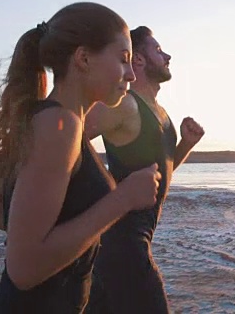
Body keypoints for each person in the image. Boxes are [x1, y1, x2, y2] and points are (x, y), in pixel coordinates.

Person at [0, 2, 161, 313]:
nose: (132, 74)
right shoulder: (59, 126)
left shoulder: (55, 122)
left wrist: (51, 240)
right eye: (123, 60)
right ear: (83, 58)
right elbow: (25, 271)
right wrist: (123, 198)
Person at [84, 26, 205, 313]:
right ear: (137, 59)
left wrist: (185, 145)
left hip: (126, 244)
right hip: (121, 245)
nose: (167, 56)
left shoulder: (160, 113)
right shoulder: (125, 105)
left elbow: (158, 177)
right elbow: (64, 138)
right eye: (158, 50)